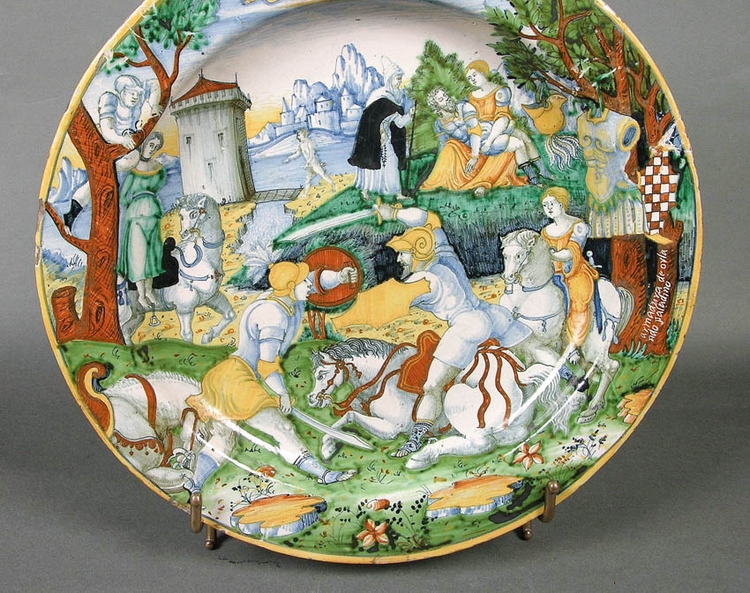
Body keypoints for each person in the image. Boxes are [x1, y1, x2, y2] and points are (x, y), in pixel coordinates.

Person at [184, 260, 358, 494]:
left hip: (226, 375)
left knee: (223, 439)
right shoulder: (273, 317)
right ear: (290, 287)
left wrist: (338, 277)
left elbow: (314, 280)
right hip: (236, 380)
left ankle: (191, 483)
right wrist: (283, 394)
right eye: (303, 282)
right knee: (282, 428)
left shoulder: (284, 297)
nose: (309, 285)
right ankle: (324, 475)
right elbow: (266, 366)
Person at [382, 218, 530, 457]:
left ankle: (416, 439)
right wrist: (394, 212)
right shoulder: (446, 256)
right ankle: (566, 375)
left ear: (419, 250)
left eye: (403, 253)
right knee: (531, 349)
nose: (399, 260)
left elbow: (380, 306)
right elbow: (431, 220)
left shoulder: (422, 281)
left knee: (432, 386)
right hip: (491, 314)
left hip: (467, 326)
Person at [64, 74, 160, 230]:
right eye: (131, 93)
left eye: (137, 93)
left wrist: (154, 104)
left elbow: (155, 84)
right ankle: (72, 213)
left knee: (106, 181)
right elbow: (107, 130)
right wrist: (121, 139)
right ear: (122, 91)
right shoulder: (110, 100)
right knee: (96, 183)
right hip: (108, 148)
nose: (135, 97)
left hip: (127, 151)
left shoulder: (138, 100)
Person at [420, 87, 526, 196]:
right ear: (436, 106)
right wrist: (439, 169)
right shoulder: (439, 125)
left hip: (487, 136)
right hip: (474, 148)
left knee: (515, 143)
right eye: (441, 99)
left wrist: (474, 157)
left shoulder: (464, 107)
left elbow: (475, 131)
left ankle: (531, 175)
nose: (447, 99)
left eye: (445, 95)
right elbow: (443, 146)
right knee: (451, 146)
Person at [465, 60, 550, 185]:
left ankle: (542, 170)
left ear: (482, 72)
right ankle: (533, 177)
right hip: (484, 131)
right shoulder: (471, 96)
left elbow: (502, 116)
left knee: (524, 137)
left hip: (499, 126)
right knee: (520, 141)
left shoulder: (500, 91)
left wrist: (508, 124)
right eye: (469, 78)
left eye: (474, 75)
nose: (472, 79)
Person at [540, 187, 599, 359]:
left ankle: (573, 345)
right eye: (545, 205)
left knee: (579, 300)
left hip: (574, 271)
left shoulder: (578, 226)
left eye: (552, 204)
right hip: (551, 272)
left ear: (562, 204)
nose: (549, 208)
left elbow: (569, 252)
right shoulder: (545, 231)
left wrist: (550, 253)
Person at [348, 57, 414, 200]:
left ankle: (396, 192)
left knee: (391, 162)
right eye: (397, 79)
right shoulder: (379, 96)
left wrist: (411, 114)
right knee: (371, 163)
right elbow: (370, 119)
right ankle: (366, 190)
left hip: (387, 136)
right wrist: (377, 133)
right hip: (374, 137)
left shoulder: (396, 96)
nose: (400, 81)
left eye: (400, 78)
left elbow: (399, 123)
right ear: (389, 79)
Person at [116, 130, 167, 309]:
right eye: (151, 144)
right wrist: (133, 207)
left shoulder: (158, 168)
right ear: (144, 144)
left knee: (152, 254)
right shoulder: (133, 169)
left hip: (153, 214)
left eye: (156, 146)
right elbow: (123, 196)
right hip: (136, 216)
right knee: (138, 255)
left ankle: (150, 291)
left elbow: (159, 185)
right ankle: (141, 295)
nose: (152, 148)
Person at [284, 127, 335, 197]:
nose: (297, 136)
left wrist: (307, 163)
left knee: (323, 175)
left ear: (303, 134)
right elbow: (297, 154)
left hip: (314, 164)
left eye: (299, 134)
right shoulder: (301, 145)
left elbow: (311, 155)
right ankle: (305, 194)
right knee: (307, 180)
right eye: (297, 135)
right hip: (309, 165)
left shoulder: (309, 143)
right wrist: (289, 158)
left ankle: (334, 185)